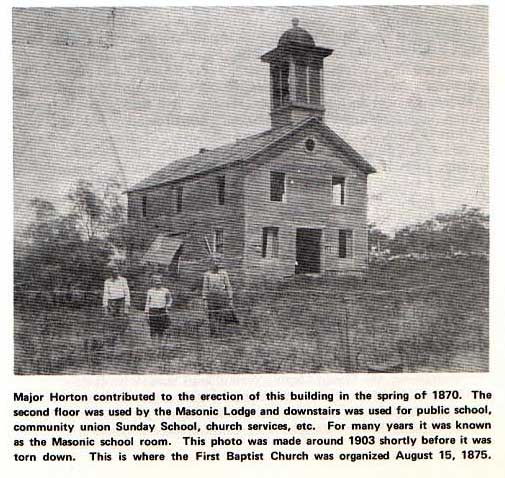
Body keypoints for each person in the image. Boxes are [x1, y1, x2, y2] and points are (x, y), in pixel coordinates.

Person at [202, 255, 236, 336]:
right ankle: (213, 333)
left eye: (217, 261)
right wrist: (205, 300)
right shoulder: (207, 274)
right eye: (214, 261)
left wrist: (230, 299)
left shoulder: (224, 273)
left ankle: (221, 332)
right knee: (212, 314)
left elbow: (228, 286)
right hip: (211, 296)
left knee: (222, 313)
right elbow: (205, 288)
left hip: (222, 295)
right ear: (210, 263)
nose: (215, 263)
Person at [102, 265, 130, 345]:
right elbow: (105, 294)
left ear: (118, 271)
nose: (115, 272)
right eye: (113, 270)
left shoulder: (123, 280)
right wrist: (105, 307)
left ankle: (122, 339)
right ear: (111, 272)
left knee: (123, 320)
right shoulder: (107, 281)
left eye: (116, 270)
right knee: (112, 321)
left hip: (121, 302)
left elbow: (127, 293)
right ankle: (113, 339)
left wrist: (127, 306)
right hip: (112, 303)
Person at [144, 274, 173, 346]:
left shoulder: (165, 290)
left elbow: (170, 299)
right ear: (153, 282)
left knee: (161, 329)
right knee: (153, 329)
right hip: (153, 311)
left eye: (159, 281)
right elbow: (147, 302)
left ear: (161, 281)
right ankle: (153, 345)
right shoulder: (150, 291)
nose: (158, 282)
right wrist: (146, 312)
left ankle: (159, 345)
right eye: (156, 281)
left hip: (162, 311)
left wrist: (168, 305)